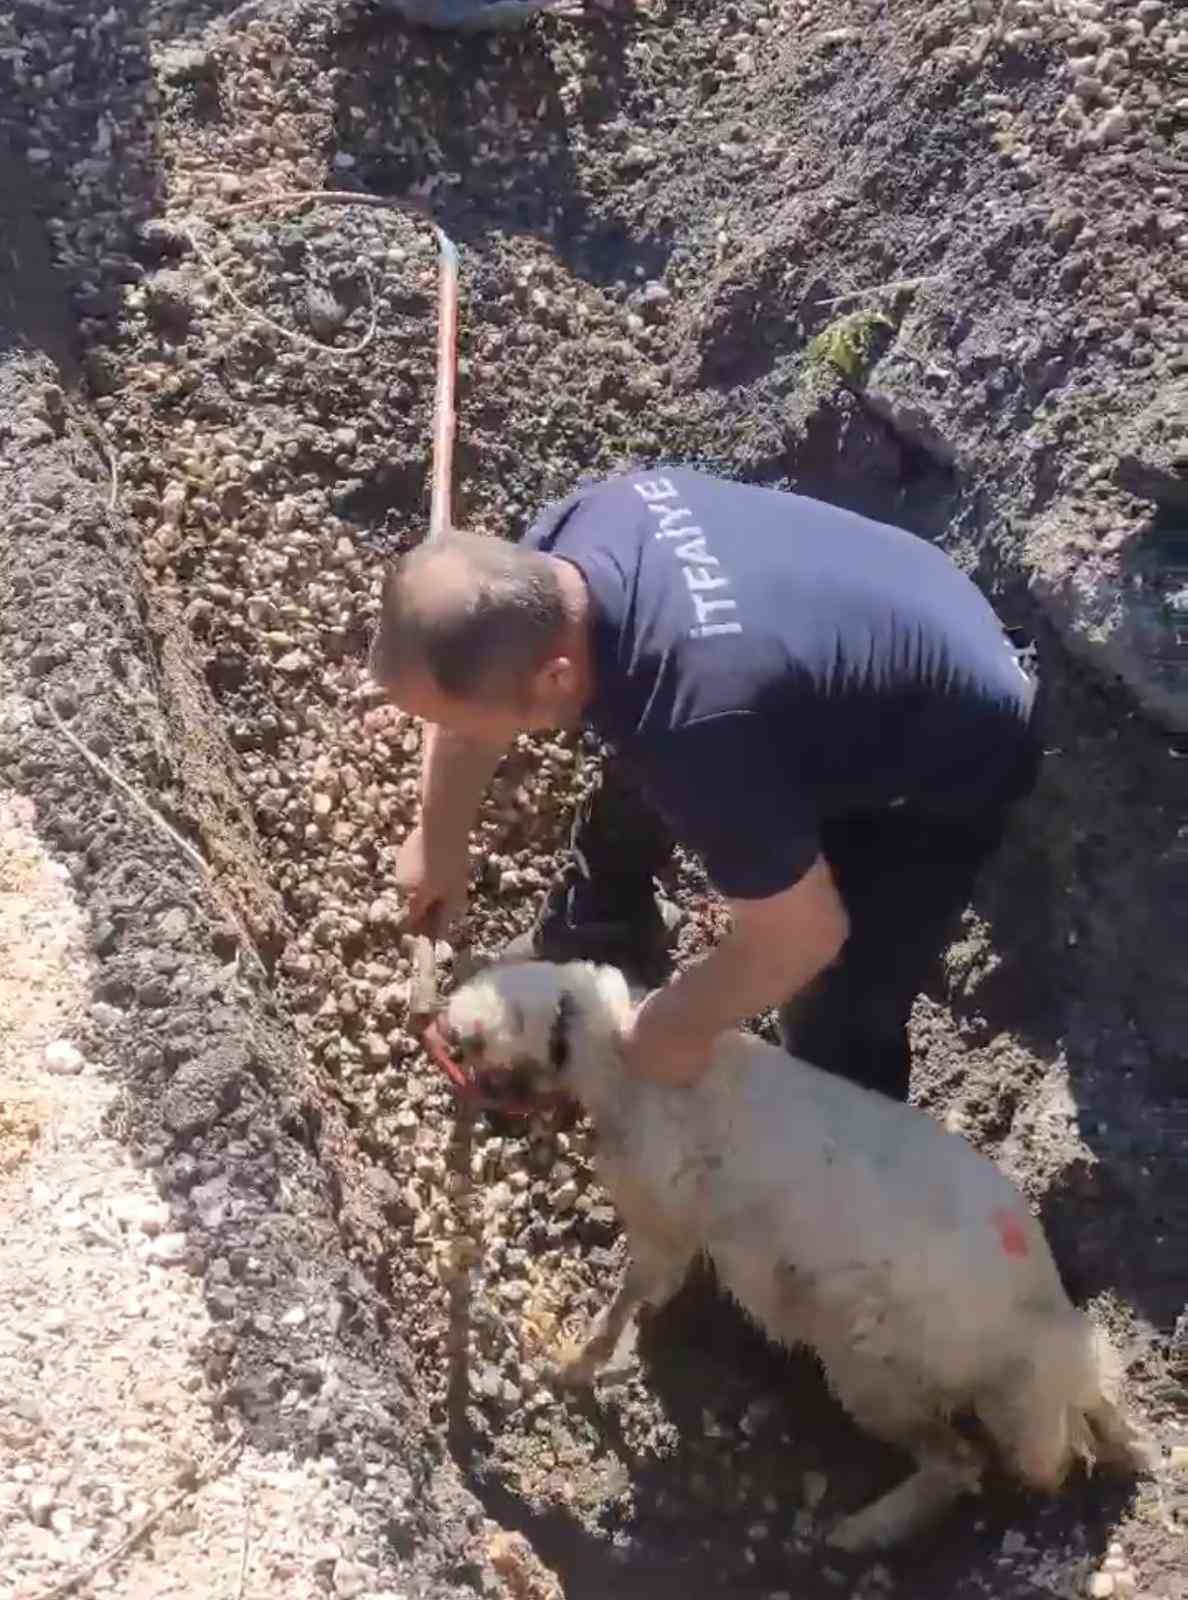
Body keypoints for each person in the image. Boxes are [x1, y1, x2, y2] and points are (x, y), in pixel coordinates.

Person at [368, 466, 1040, 1099]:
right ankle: (604, 935)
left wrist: (674, 1025)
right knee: (641, 755)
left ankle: (844, 1160)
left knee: (837, 999)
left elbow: (801, 936)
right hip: (888, 611)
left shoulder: (699, 724)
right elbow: (482, 706)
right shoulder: (563, 549)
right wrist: (439, 836)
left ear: (553, 678)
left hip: (950, 746)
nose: (448, 736)